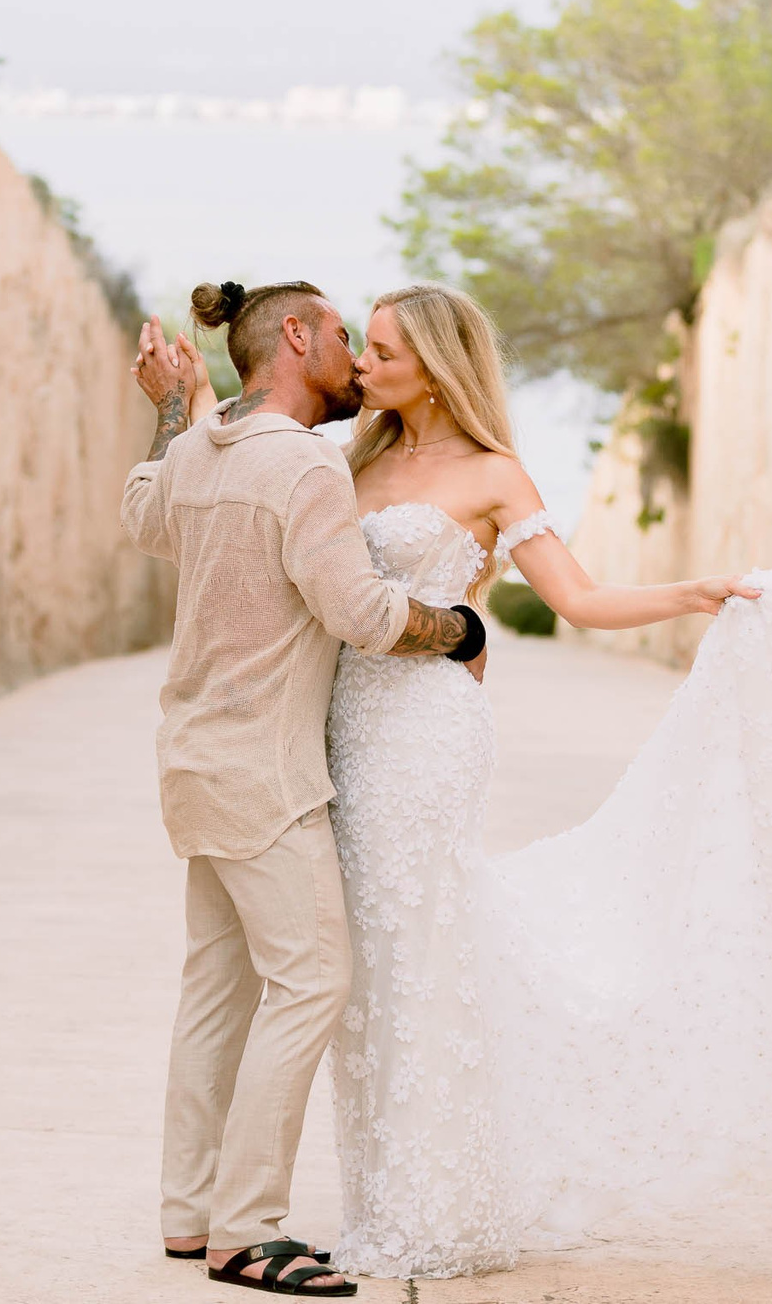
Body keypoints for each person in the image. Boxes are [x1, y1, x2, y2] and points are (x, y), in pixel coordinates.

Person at [183, 281, 772, 1281]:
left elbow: (579, 597)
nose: (364, 365)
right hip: (338, 734)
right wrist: (186, 406)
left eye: (381, 350)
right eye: (363, 346)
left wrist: (694, 593)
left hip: (425, 735)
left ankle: (432, 1211)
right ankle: (386, 1196)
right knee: (364, 978)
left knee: (416, 952)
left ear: (433, 363)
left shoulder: (493, 473)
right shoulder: (350, 459)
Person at [120, 279, 488, 1298]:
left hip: (192, 761)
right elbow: (361, 613)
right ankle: (249, 1230)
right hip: (265, 777)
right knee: (313, 980)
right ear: (293, 336)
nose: (353, 357)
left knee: (217, 991)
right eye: (339, 335)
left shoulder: (198, 451)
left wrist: (172, 405)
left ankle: (189, 1215)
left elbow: (143, 517)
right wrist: (460, 630)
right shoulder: (305, 471)